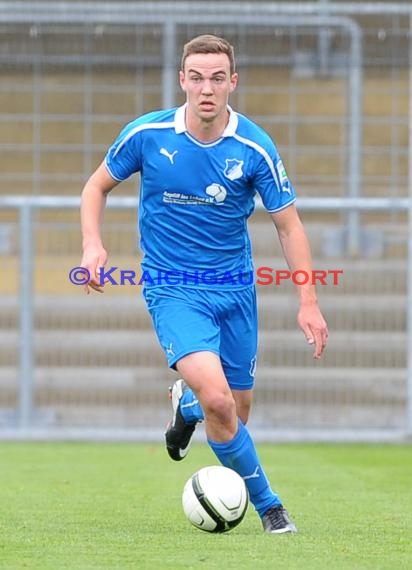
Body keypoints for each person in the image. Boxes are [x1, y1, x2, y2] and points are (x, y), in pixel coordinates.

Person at [80, 34, 328, 534]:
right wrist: (92, 244)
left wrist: (308, 300)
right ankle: (271, 508)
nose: (206, 88)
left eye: (217, 78)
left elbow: (289, 224)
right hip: (173, 288)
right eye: (197, 77)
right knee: (220, 402)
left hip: (235, 291)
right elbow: (96, 186)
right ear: (182, 80)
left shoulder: (254, 145)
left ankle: (185, 404)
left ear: (232, 82)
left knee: (233, 410)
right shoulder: (149, 134)